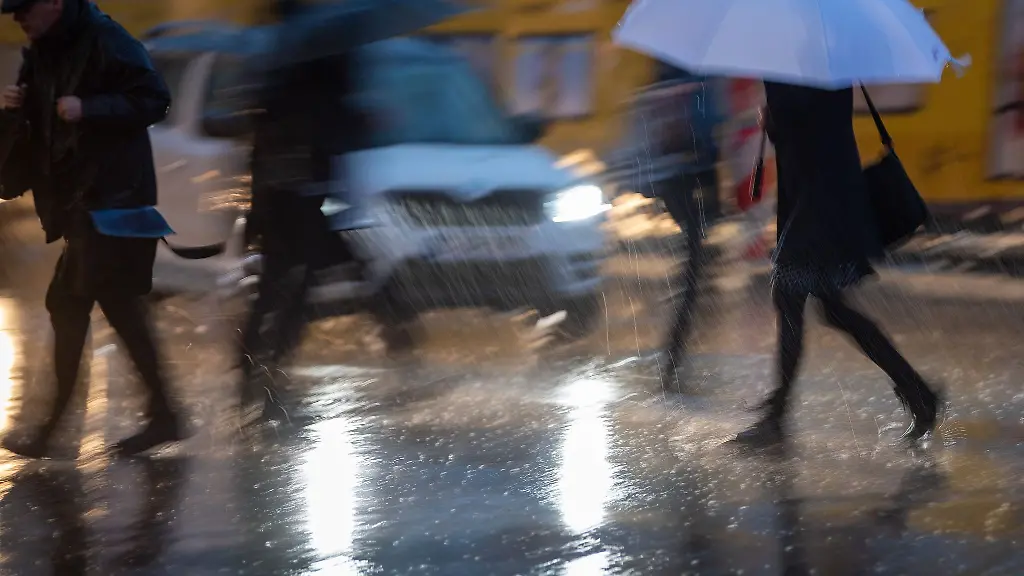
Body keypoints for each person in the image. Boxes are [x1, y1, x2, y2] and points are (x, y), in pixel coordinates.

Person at [0, 0, 185, 457]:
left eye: (25, 9)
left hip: (112, 203)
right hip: (80, 207)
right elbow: (36, 138)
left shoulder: (105, 38)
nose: (18, 19)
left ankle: (53, 430)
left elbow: (154, 97)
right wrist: (12, 110)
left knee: (71, 305)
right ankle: (164, 415)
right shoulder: (42, 53)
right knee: (113, 310)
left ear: (55, 2)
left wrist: (90, 107)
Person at [735, 82, 941, 445]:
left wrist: (774, 118)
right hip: (819, 197)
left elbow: (806, 125)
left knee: (789, 295)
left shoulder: (809, 68)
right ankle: (918, 393)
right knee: (831, 308)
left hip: (820, 202)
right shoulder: (820, 65)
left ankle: (777, 418)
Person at [238, 0, 371, 422]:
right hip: (302, 188)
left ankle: (253, 381)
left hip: (283, 187)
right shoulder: (321, 56)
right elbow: (335, 121)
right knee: (294, 290)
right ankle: (264, 384)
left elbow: (261, 125)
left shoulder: (279, 51)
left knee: (279, 288)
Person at [651, 63, 724, 388]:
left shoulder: (667, 75)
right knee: (693, 273)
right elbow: (710, 128)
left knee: (693, 269)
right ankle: (673, 354)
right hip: (688, 180)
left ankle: (674, 352)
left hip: (675, 181)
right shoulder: (699, 79)